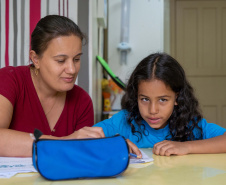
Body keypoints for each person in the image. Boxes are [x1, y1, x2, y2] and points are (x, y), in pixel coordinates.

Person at [0, 15, 104, 157]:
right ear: (35, 59)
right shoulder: (9, 79)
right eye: (61, 61)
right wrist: (64, 142)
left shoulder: (82, 101)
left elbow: (83, 156)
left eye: (77, 59)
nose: (72, 69)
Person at [94, 53, 226, 156]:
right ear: (136, 96)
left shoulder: (190, 124)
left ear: (177, 97)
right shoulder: (123, 121)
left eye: (162, 100)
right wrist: (115, 144)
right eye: (145, 99)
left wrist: (187, 146)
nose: (152, 110)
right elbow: (83, 141)